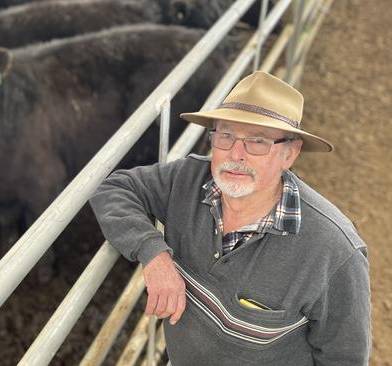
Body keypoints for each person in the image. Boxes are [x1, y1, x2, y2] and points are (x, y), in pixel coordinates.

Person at [89, 71, 370, 365]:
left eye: (257, 141)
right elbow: (114, 189)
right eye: (225, 135)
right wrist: (153, 253)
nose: (236, 154)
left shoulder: (334, 252)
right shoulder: (187, 179)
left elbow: (345, 358)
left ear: (290, 154)